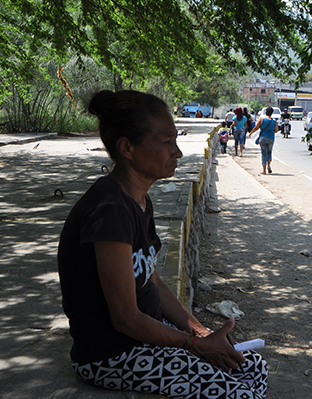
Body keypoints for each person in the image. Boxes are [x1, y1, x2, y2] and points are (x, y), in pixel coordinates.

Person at [57, 90, 268, 399]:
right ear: (127, 147)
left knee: (252, 367)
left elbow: (153, 281)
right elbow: (126, 318)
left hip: (145, 337)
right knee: (240, 393)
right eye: (166, 142)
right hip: (113, 355)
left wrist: (200, 331)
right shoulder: (110, 212)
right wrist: (196, 346)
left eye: (175, 140)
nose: (178, 152)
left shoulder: (139, 200)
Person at [249, 106, 278, 175]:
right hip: (271, 138)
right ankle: (269, 166)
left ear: (266, 112)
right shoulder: (274, 121)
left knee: (264, 153)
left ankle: (264, 170)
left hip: (263, 138)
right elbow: (276, 131)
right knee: (269, 152)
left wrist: (251, 132)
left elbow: (256, 127)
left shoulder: (262, 119)